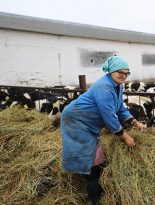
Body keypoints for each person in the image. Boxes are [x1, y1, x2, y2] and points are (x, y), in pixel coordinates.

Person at [61, 55, 146, 205]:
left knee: (94, 152)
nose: (123, 76)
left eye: (126, 73)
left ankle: (93, 182)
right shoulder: (104, 86)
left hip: (89, 123)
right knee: (87, 155)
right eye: (120, 72)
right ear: (111, 71)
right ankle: (93, 197)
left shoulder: (118, 86)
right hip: (76, 120)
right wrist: (125, 137)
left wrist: (134, 121)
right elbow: (109, 116)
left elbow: (119, 108)